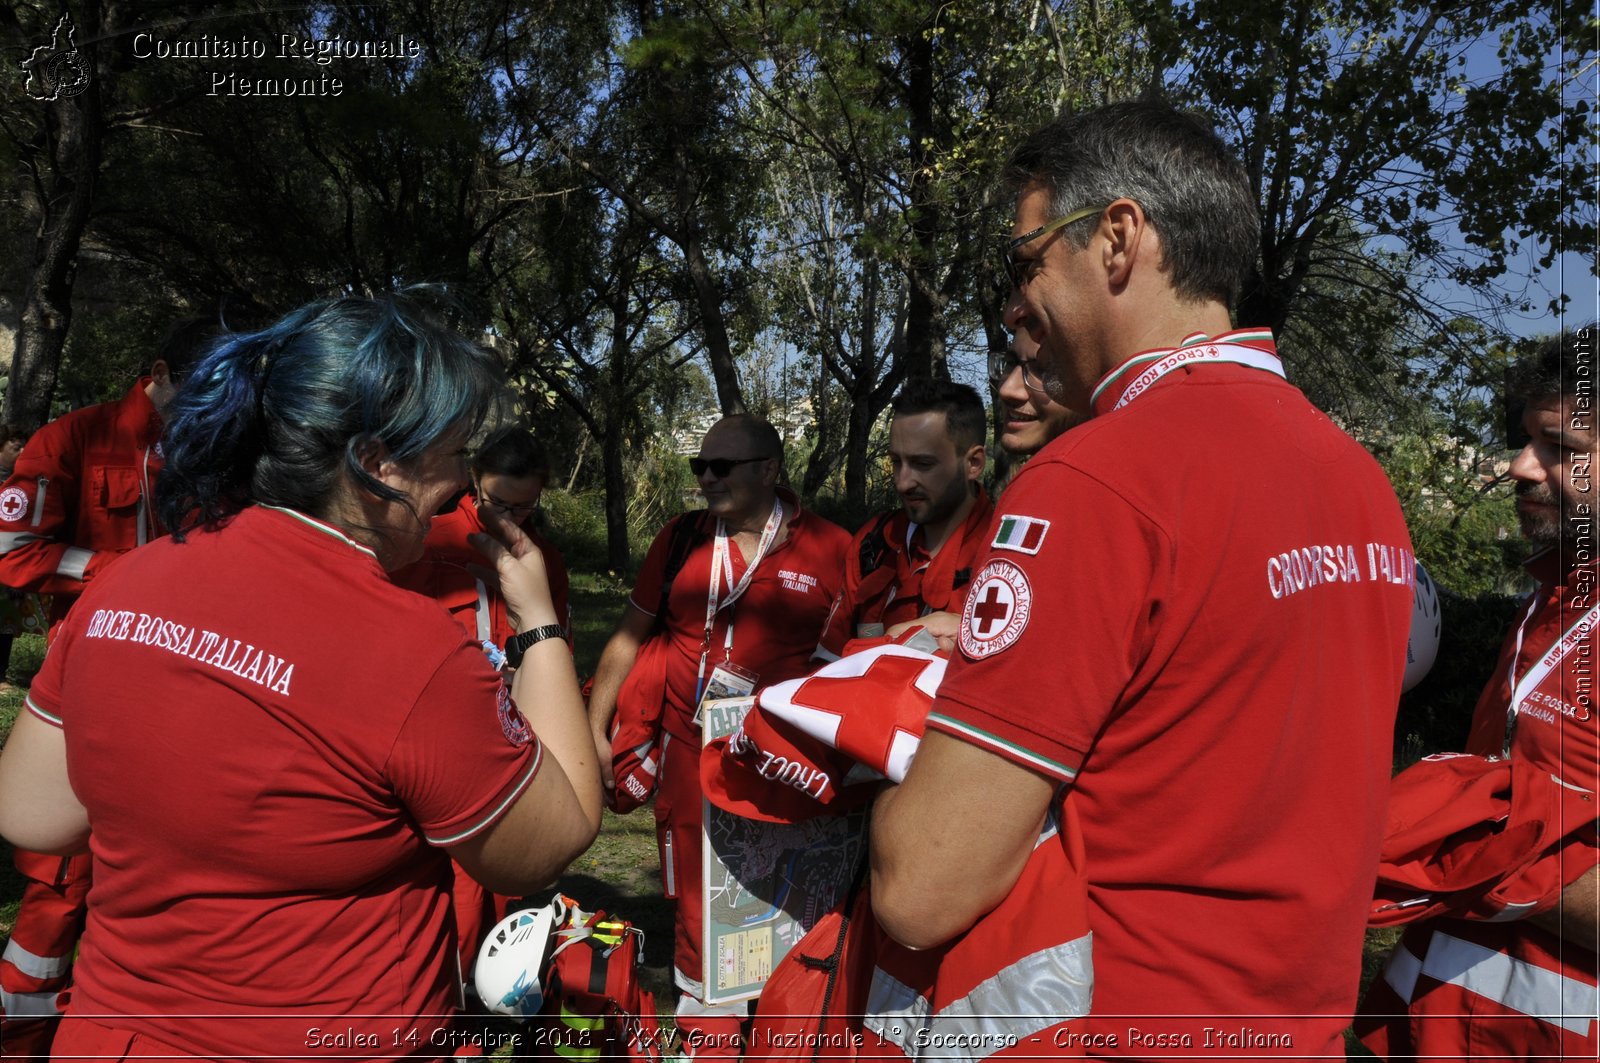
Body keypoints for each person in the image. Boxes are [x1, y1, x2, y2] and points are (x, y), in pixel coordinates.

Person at [869, 99, 1417, 1058]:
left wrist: (875, 758)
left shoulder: (1092, 479)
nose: (1010, 305)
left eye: (1023, 261)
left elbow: (923, 886)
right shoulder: (1356, 476)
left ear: (1117, 238)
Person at [0, 292, 602, 1060]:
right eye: (451, 454)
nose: (459, 481)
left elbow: (31, 811)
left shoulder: (127, 584)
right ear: (377, 464)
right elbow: (553, 835)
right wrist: (540, 624)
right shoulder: (413, 651)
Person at [1356, 327, 1598, 1060]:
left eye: (1561, 448)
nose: (1521, 467)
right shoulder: (1549, 599)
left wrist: (1454, 839)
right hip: (1439, 1020)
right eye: (1526, 439)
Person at [587, 414, 849, 1058]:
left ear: (769, 470)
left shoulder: (832, 547)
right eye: (698, 467)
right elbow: (630, 631)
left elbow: (847, 662)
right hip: (685, 750)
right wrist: (595, 724)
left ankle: (784, 1026)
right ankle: (709, 1036)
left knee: (774, 900)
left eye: (721, 467)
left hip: (776, 763)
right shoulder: (680, 538)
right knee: (700, 909)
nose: (705, 479)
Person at [0, 321, 213, 1059]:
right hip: (92, 686)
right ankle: (21, 1039)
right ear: (158, 370)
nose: (208, 408)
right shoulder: (70, 440)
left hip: (191, 689)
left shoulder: (213, 452)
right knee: (61, 879)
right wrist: (125, 574)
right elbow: (14, 555)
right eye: (198, 389)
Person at [390, 424, 573, 991]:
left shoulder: (542, 557)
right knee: (455, 896)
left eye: (526, 506)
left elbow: (554, 641)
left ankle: (490, 994)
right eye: (498, 502)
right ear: (473, 482)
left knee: (503, 884)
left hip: (513, 731)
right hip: (442, 735)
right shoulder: (430, 541)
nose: (511, 518)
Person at [814, 379, 992, 660]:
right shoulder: (874, 542)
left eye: (923, 464)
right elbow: (827, 660)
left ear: (973, 464)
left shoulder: (1004, 554)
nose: (903, 482)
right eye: (896, 462)